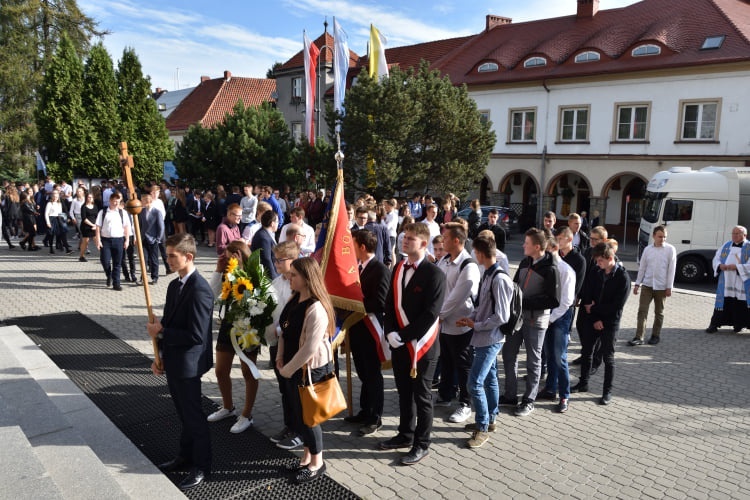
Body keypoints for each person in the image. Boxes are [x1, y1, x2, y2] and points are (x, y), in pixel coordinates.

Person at [147, 233, 214, 491]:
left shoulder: (200, 290)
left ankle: (202, 465)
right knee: (183, 414)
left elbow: (196, 335)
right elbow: (169, 323)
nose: (168, 259)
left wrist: (161, 333)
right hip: (174, 359)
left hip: (189, 364)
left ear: (189, 256)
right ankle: (185, 456)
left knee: (194, 416)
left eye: (172, 256)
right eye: (167, 255)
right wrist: (159, 355)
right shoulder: (175, 285)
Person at [379, 223, 447, 466]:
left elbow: (431, 314)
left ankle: (422, 443)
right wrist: (389, 333)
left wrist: (404, 335)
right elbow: (388, 304)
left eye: (410, 239)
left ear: (423, 243)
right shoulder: (398, 267)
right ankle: (405, 434)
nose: (404, 241)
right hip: (399, 343)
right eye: (404, 237)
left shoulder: (435, 274)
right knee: (404, 392)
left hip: (423, 347)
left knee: (422, 396)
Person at [276, 257, 336, 483]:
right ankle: (306, 458)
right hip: (291, 367)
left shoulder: (316, 308)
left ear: (307, 278)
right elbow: (284, 330)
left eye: (294, 275)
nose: (289, 278)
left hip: (308, 370)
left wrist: (288, 369)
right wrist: (281, 357)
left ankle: (317, 463)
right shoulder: (294, 299)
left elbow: (310, 347)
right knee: (299, 416)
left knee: (310, 418)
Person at [457, 234, 513, 448]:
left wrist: (476, 325)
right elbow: (482, 307)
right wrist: (470, 319)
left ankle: (482, 427)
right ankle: (490, 419)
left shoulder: (499, 278)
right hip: (482, 337)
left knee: (475, 383)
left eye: (475, 253)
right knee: (489, 380)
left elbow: (502, 316)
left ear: (480, 254)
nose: (474, 257)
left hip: (490, 338)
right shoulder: (488, 275)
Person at [502, 228, 560, 417]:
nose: (522, 245)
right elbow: (515, 285)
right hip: (517, 318)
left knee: (533, 361)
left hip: (536, 320)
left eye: (526, 243)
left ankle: (529, 399)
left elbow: (553, 300)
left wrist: (525, 302)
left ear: (536, 247)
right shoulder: (525, 261)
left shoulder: (551, 268)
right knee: (509, 355)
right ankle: (510, 395)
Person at [206, 241, 261, 434]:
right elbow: (211, 295)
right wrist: (218, 270)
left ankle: (247, 415)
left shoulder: (255, 271)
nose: (226, 260)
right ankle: (228, 407)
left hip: (248, 328)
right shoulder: (228, 272)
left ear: (238, 255)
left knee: (248, 372)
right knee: (221, 370)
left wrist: (239, 272)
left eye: (228, 257)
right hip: (228, 325)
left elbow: (251, 299)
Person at [571, 242, 631, 405]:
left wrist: (597, 312)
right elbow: (588, 297)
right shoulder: (595, 272)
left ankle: (607, 391)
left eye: (600, 261)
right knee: (587, 352)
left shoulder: (623, 278)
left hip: (610, 323)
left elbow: (617, 305)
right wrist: (595, 318)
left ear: (610, 258)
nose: (597, 264)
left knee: (608, 358)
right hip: (593, 320)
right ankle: (583, 383)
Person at [344, 229, 390, 435]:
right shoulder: (357, 268)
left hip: (371, 330)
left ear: (362, 247)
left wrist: (355, 304)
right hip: (357, 329)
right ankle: (365, 410)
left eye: (353, 245)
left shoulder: (380, 269)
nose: (350, 249)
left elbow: (380, 302)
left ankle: (375, 417)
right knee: (362, 372)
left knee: (372, 375)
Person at [435, 223, 480, 425]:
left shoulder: (468, 265)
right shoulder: (444, 261)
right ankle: (446, 394)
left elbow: (457, 296)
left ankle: (465, 403)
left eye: (445, 238)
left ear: (456, 240)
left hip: (460, 324)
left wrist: (439, 315)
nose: (441, 241)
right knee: (446, 360)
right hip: (443, 324)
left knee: (463, 365)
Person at [267, 242, 304, 450]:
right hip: (277, 342)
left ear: (293, 260)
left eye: (280, 260)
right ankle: (289, 425)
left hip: (294, 345)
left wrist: (283, 328)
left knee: (295, 390)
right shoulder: (276, 281)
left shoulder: (299, 284)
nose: (276, 263)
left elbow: (298, 314)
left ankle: (300, 430)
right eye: (276, 259)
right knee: (284, 388)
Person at [536, 237, 576, 413]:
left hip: (559, 317)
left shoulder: (566, 270)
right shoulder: (547, 268)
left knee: (560, 357)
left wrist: (551, 318)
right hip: (548, 316)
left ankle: (564, 395)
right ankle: (550, 389)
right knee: (549, 354)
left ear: (554, 248)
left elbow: (566, 301)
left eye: (546, 251)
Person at [630, 225, 676, 345]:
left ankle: (655, 335)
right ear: (654, 236)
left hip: (662, 287)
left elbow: (671, 270)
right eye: (660, 236)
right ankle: (639, 337)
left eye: (665, 237)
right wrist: (637, 284)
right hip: (647, 285)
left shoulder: (670, 249)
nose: (662, 239)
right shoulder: (648, 249)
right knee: (642, 311)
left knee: (659, 312)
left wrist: (669, 287)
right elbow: (642, 267)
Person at [706, 226, 750, 334]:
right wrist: (719, 265)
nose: (734, 235)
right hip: (726, 280)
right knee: (724, 302)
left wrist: (737, 267)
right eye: (733, 233)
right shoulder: (726, 245)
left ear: (744, 235)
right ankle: (714, 324)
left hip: (741, 282)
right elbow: (716, 258)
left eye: (737, 233)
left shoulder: (749, 247)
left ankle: (739, 324)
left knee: (741, 303)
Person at [94, 191, 130, 291]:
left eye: (118, 202)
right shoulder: (103, 212)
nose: (116, 203)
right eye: (114, 201)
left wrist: (127, 240)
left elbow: (126, 227)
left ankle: (116, 283)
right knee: (105, 260)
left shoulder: (123, 213)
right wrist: (98, 240)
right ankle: (108, 274)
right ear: (110, 201)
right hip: (106, 240)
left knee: (117, 263)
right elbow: (98, 227)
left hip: (119, 240)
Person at [138, 193, 164, 285]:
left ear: (148, 201)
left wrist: (158, 239)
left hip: (153, 239)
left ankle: (154, 277)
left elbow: (161, 227)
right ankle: (143, 278)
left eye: (143, 201)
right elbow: (140, 225)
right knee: (143, 259)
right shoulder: (142, 211)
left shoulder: (157, 212)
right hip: (144, 238)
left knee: (154, 259)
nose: (141, 202)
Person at [251, 209, 279, 280]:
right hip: (266, 276)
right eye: (277, 222)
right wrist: (274, 278)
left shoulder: (267, 234)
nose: (278, 224)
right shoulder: (263, 237)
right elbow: (266, 259)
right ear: (272, 223)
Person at [44, 189, 71, 254]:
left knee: (62, 233)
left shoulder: (59, 203)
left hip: (59, 219)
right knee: (51, 234)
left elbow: (60, 212)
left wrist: (64, 219)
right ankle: (51, 248)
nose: (55, 196)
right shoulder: (49, 203)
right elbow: (46, 213)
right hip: (52, 219)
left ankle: (67, 249)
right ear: (52, 196)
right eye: (54, 195)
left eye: (57, 195)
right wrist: (48, 222)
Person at [77, 193, 97, 261]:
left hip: (94, 226)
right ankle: (81, 256)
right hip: (86, 226)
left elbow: (97, 216)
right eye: (88, 197)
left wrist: (96, 225)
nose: (90, 198)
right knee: (86, 241)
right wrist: (92, 225)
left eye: (91, 197)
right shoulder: (84, 207)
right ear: (86, 198)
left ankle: (103, 255)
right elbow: (84, 218)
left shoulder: (95, 206)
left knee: (97, 240)